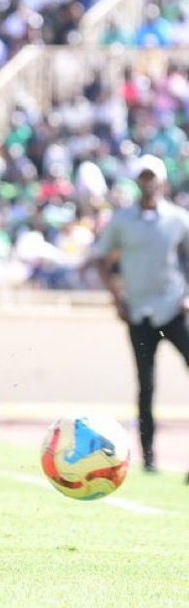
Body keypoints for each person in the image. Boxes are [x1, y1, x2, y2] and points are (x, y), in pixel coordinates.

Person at [87, 155, 189, 474]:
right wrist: (117, 298)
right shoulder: (122, 221)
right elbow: (101, 259)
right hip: (139, 314)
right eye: (143, 177)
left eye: (152, 177)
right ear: (137, 181)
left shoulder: (178, 219)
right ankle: (149, 458)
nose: (148, 183)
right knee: (146, 386)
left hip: (173, 309)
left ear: (161, 181)